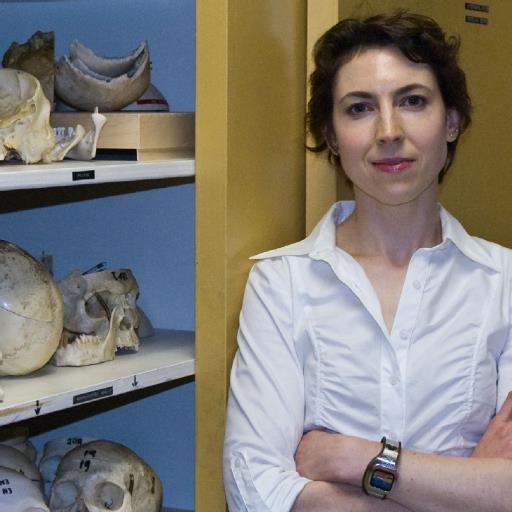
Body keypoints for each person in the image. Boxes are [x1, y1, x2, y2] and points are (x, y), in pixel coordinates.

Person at [223, 10, 512, 512]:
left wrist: (354, 460)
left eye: (413, 101)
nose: (388, 131)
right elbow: (255, 489)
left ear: (451, 121)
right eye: (359, 108)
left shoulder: (504, 283)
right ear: (332, 136)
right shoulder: (281, 283)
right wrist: (465, 487)